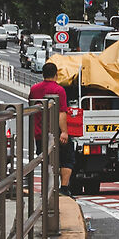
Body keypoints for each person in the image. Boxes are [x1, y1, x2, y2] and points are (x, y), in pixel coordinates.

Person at [30, 62, 71, 195]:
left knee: (45, 161)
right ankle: (63, 189)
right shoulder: (59, 90)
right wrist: (64, 132)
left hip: (39, 132)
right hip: (55, 132)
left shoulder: (34, 89)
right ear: (56, 74)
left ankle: (47, 189)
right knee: (66, 159)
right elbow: (61, 113)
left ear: (43, 74)